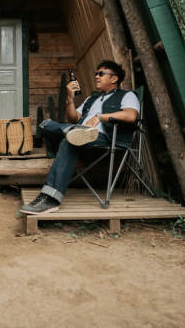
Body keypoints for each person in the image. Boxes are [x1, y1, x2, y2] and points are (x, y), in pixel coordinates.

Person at [20, 60, 139, 215]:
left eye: (101, 73)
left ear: (114, 79)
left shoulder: (127, 95)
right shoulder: (92, 99)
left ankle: (50, 199)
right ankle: (74, 132)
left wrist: (100, 117)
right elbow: (73, 117)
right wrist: (70, 98)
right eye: (96, 73)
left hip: (105, 137)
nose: (96, 76)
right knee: (46, 125)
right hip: (81, 134)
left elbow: (130, 116)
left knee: (68, 139)